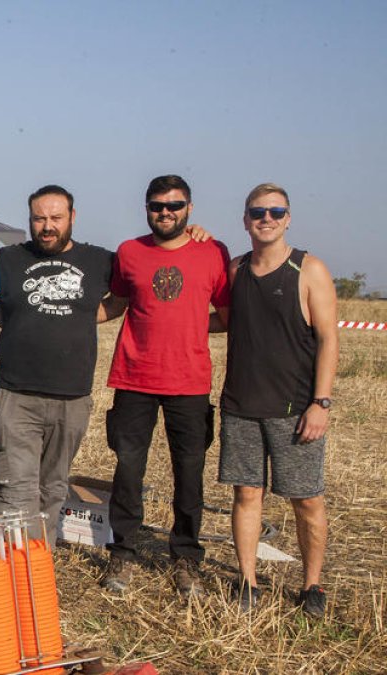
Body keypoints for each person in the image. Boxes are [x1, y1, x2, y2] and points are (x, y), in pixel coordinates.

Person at [100, 175, 230, 598]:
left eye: (174, 206)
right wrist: (60, 318)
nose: (166, 213)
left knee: (189, 475)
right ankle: (122, 552)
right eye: (157, 206)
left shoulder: (213, 252)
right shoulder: (129, 252)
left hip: (189, 383)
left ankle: (187, 559)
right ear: (146, 208)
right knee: (127, 471)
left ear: (189, 208)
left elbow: (227, 317)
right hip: (134, 378)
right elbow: (117, 305)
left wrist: (191, 326)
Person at [219, 183, 337, 616]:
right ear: (245, 220)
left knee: (307, 499)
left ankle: (312, 586)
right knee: (247, 495)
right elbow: (223, 320)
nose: (266, 219)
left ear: (288, 219)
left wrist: (320, 403)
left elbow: (328, 339)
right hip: (241, 406)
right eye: (257, 212)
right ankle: (247, 580)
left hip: (296, 410)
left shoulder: (309, 270)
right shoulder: (235, 270)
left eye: (275, 212)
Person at [0, 186, 116, 536]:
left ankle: (39, 564)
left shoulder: (101, 261)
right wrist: (17, 322)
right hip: (17, 395)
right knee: (16, 489)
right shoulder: (8, 259)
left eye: (55, 218)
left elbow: (123, 298)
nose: (47, 226)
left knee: (53, 487)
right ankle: (16, 569)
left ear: (72, 217)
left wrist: (82, 316)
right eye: (39, 218)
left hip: (72, 398)